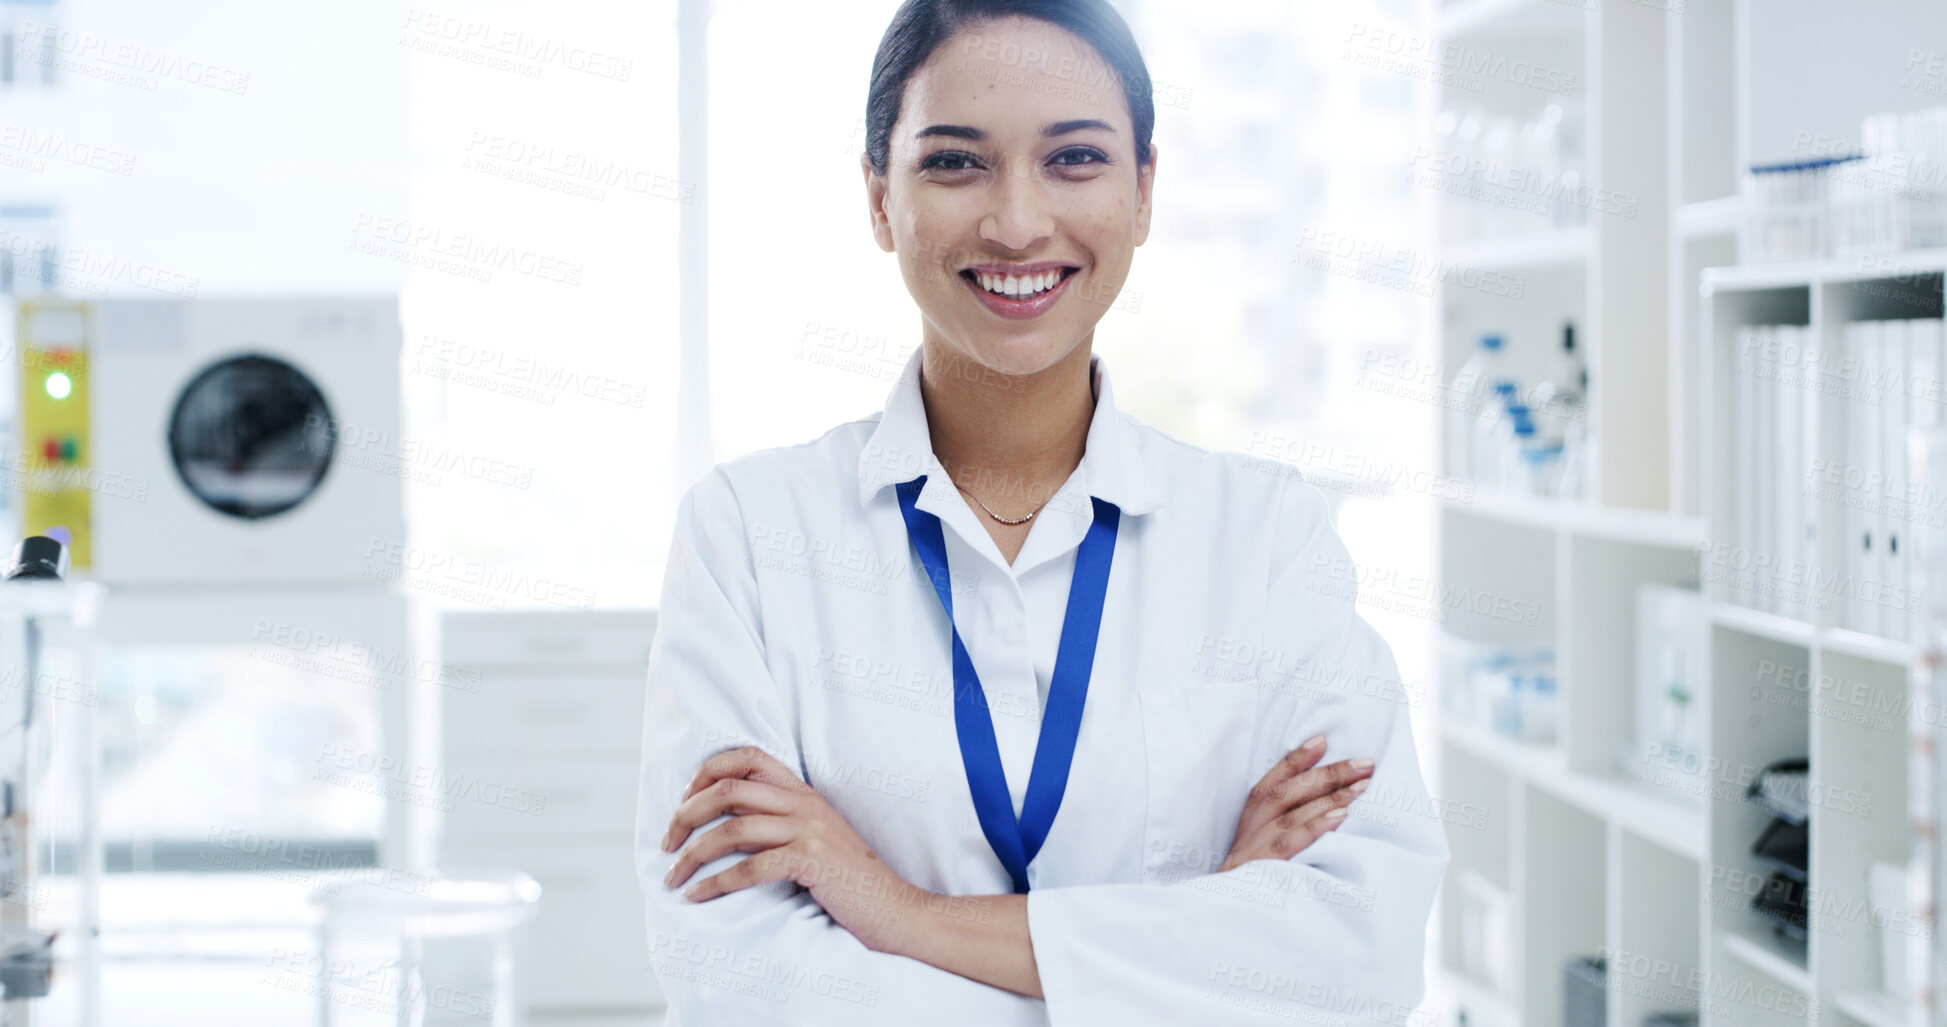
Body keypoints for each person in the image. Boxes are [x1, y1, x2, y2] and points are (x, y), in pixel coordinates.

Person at [634, 1, 1449, 1023]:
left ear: (1143, 192)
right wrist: (1192, 942)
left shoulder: (1266, 540)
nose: (1017, 222)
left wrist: (898, 911)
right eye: (954, 163)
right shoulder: (750, 537)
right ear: (880, 198)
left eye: (1073, 159)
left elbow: (1359, 957)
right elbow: (739, 982)